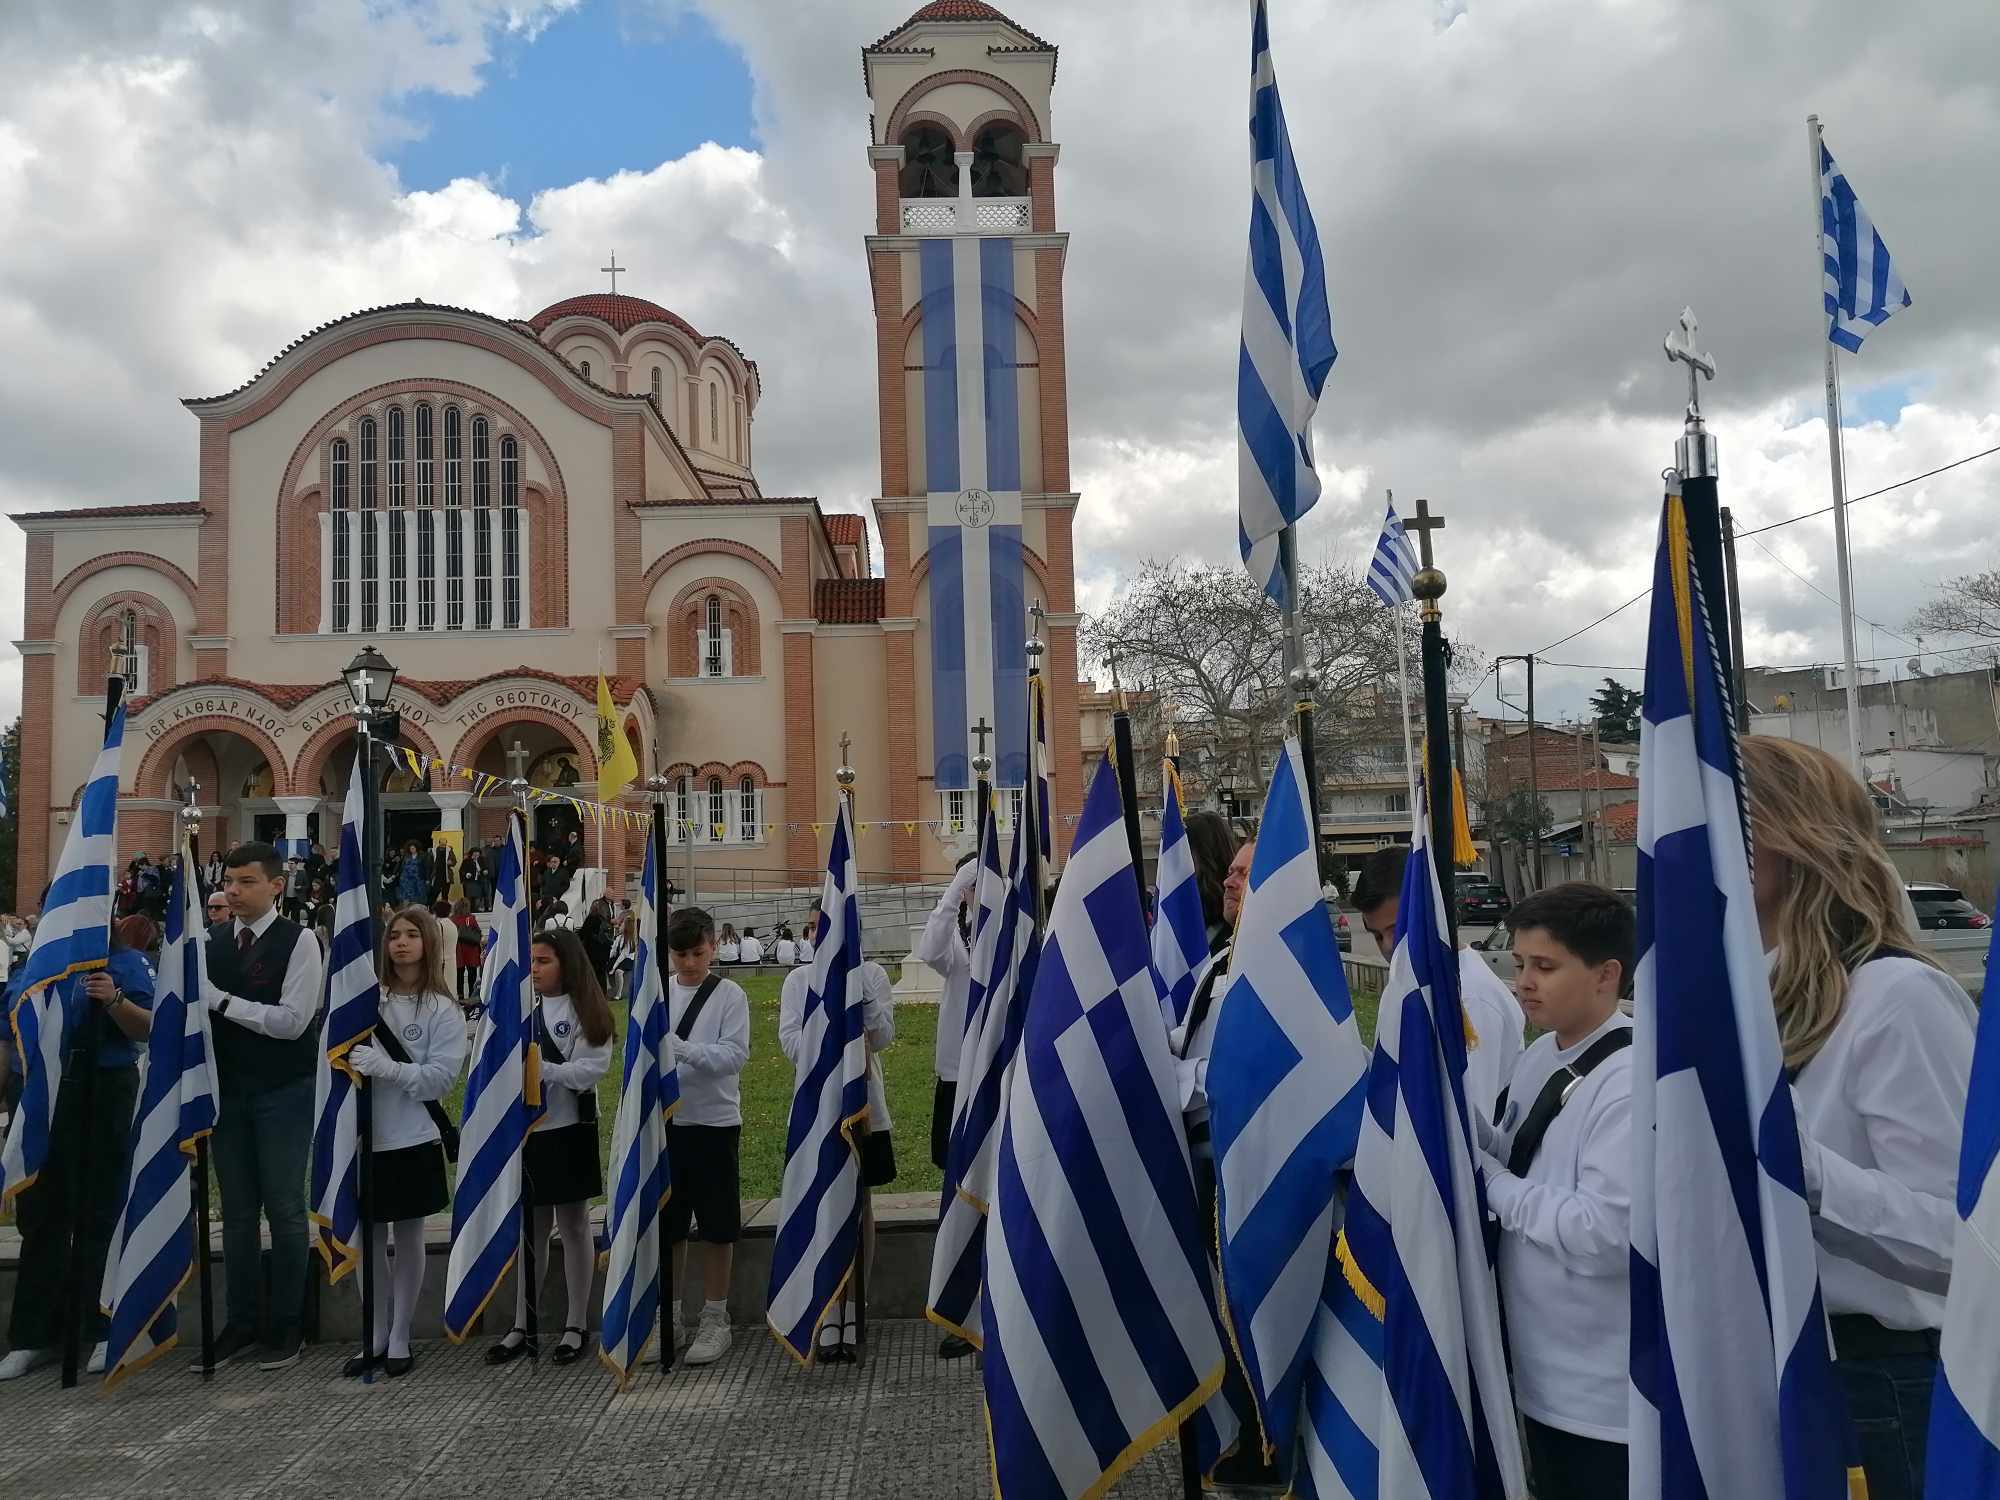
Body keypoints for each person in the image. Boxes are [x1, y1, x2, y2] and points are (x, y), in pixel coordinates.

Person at [1741, 736, 1973, 1500]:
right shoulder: (1758, 994)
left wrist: (1795, 1166)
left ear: (1786, 842)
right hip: (1780, 1364)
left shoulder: (1899, 999)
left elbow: (1962, 1244)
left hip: (1883, 1386)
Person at [1476, 883, 1637, 1500]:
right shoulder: (1542, 1053)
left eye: (1545, 966)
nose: (1524, 983)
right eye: (1520, 965)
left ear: (1606, 974)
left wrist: (1494, 1186)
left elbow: (1604, 1233)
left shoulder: (1628, 1081)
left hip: (1600, 1392)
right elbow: (1519, 1152)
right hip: (1539, 1370)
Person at [1167, 831, 1281, 1488]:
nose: (1228, 882)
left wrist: (1166, 1078)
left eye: (1243, 874)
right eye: (1230, 871)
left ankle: (1261, 1446)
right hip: (1208, 1160)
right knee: (1217, 1305)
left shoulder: (1272, 965)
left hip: (1245, 1167)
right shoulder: (1222, 956)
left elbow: (1244, 1074)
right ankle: (1233, 1427)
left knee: (1243, 1309)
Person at [0, 919, 155, 1379]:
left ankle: (102, 1329)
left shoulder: (127, 964)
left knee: (100, 1213)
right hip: (39, 1097)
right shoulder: (33, 969)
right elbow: (7, 1040)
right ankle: (32, 1337)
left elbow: (148, 1028)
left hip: (104, 1089)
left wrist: (113, 1000)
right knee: (41, 1216)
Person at [200, 841, 327, 1371]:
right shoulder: (209, 944)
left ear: (276, 885)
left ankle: (288, 1323)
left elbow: (292, 1021)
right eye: (230, 881)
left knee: (283, 1206)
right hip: (227, 1091)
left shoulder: (299, 943)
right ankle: (242, 1320)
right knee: (237, 1211)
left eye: (246, 881)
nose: (233, 890)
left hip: (283, 1090)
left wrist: (221, 1001)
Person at [342, 906, 467, 1378]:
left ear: (429, 943)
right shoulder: (365, 1000)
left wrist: (389, 1069)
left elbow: (440, 1080)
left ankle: (400, 1333)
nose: (401, 943)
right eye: (394, 935)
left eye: (412, 934)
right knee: (367, 1239)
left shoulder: (442, 1009)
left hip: (412, 1137)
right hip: (362, 1138)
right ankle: (373, 1332)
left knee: (409, 1236)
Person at [487, 928, 611, 1367]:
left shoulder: (585, 1011)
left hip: (569, 1128)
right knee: (531, 1229)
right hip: (528, 1134)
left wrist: (542, 1071)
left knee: (574, 1224)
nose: (535, 969)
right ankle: (524, 1321)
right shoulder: (523, 1009)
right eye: (532, 961)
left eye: (544, 961)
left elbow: (591, 1070)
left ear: (567, 964)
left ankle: (577, 1322)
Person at [1353, 845, 1526, 1125]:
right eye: (1376, 936)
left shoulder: (1469, 998)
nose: (1388, 947)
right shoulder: (1409, 977)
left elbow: (1466, 1126)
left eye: (1397, 931)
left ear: (1432, 911)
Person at [779, 949, 896, 1363]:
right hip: (816, 1110)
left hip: (863, 1106)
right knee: (823, 1203)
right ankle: (828, 1305)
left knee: (860, 1202)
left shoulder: (872, 974)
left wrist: (862, 998)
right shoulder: (798, 981)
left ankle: (855, 1303)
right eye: (814, 928)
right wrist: (834, 1040)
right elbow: (791, 1042)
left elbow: (882, 1037)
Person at [661, 907, 753, 1365]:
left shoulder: (729, 995)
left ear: (714, 946)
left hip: (713, 1123)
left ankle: (716, 1315)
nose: (690, 963)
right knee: (671, 1223)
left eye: (698, 952)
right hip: (667, 1126)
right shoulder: (658, 994)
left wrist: (683, 1050)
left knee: (717, 1225)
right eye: (680, 954)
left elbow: (733, 1056)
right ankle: (671, 1314)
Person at [451, 898, 484, 1006]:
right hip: (471, 949)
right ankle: (471, 994)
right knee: (472, 973)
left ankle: (460, 995)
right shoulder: (471, 918)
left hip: (458, 949)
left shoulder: (452, 919)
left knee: (459, 973)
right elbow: (478, 932)